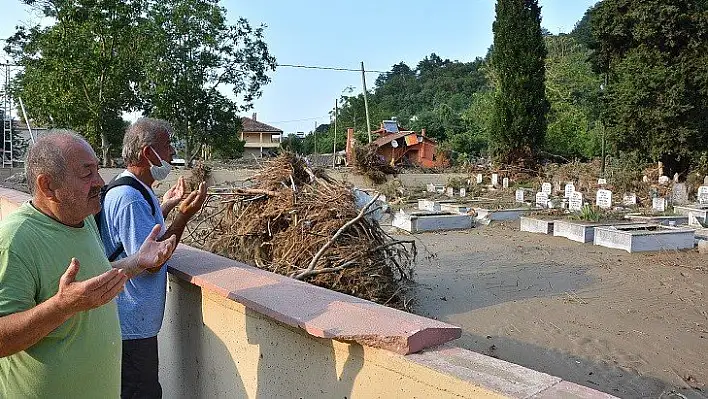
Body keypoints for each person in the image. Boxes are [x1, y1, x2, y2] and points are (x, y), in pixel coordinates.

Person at [0, 130, 177, 398]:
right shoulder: (16, 240)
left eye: (97, 169)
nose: (100, 182)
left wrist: (137, 262)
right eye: (87, 174)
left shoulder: (83, 220)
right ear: (48, 186)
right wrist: (61, 307)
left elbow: (97, 279)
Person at [98, 118, 207, 398]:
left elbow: (142, 239)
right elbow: (152, 260)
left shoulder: (133, 187)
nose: (171, 153)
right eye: (167, 147)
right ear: (148, 153)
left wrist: (167, 206)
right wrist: (184, 216)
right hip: (130, 328)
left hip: (132, 323)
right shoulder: (130, 197)